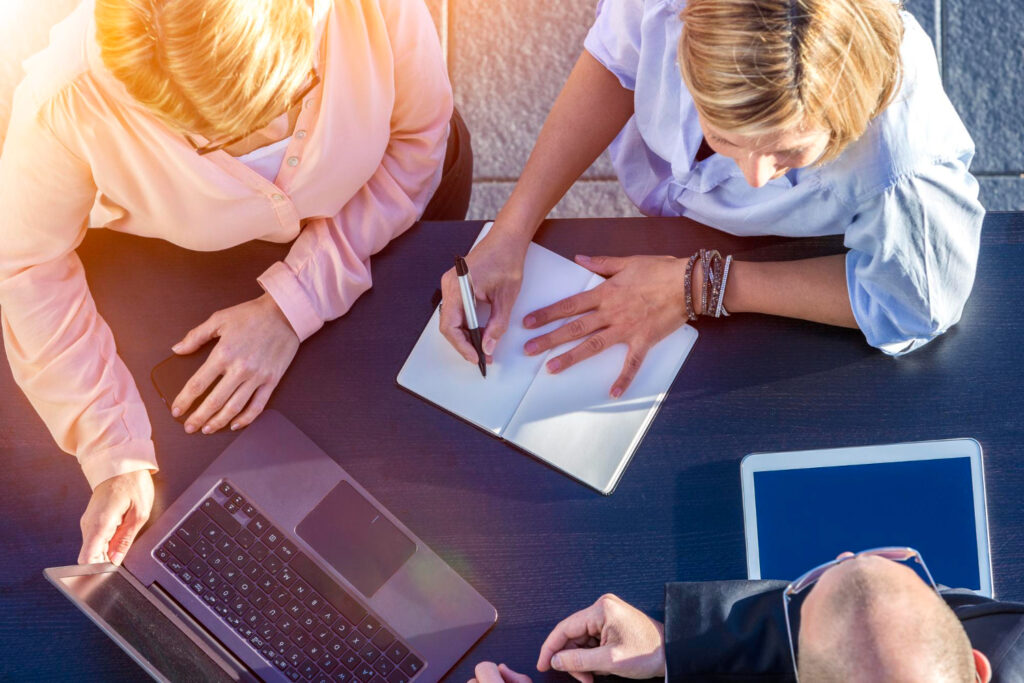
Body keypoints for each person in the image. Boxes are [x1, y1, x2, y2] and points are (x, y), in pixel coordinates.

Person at [0, 0, 466, 567]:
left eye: (290, 104)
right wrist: (111, 449)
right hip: (195, 264)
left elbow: (417, 138)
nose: (262, 144)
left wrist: (291, 303)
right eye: (209, 143)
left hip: (393, 205)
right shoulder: (67, 97)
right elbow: (27, 269)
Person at [439, 0, 984, 400]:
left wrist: (701, 286)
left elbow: (917, 301)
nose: (752, 180)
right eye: (723, 137)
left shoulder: (903, 171)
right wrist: (511, 229)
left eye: (787, 155)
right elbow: (616, 63)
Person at [468, 549, 1024, 682]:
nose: (850, 558)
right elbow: (881, 635)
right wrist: (672, 647)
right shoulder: (1012, 642)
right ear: (977, 669)